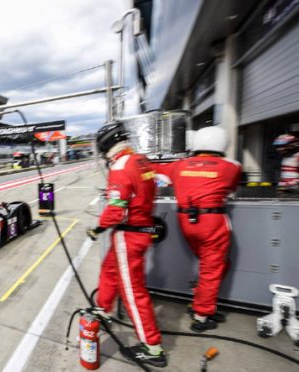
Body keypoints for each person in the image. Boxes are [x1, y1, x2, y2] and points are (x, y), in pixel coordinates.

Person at [86, 121, 166, 368]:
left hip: (128, 235)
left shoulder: (120, 167)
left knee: (132, 293)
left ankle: (153, 348)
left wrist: (98, 228)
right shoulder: (141, 160)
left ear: (106, 144)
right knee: (109, 271)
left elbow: (116, 209)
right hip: (141, 229)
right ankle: (103, 309)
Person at [152, 126, 241, 332]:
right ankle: (201, 316)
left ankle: (201, 301)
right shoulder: (230, 166)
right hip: (212, 223)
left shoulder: (179, 165)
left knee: (213, 266)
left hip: (186, 222)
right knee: (212, 268)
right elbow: (233, 187)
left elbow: (155, 170)